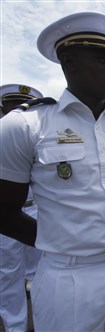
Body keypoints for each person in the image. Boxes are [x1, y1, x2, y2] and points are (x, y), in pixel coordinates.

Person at [0, 12, 105, 331]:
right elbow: (3, 212)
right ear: (68, 61)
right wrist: (60, 242)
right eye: (103, 59)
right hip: (70, 276)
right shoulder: (27, 125)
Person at [0, 84, 43, 332]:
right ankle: (15, 326)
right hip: (6, 217)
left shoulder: (37, 137)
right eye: (11, 106)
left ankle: (44, 321)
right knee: (9, 276)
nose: (16, 111)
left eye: (22, 107)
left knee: (42, 272)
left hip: (37, 210)